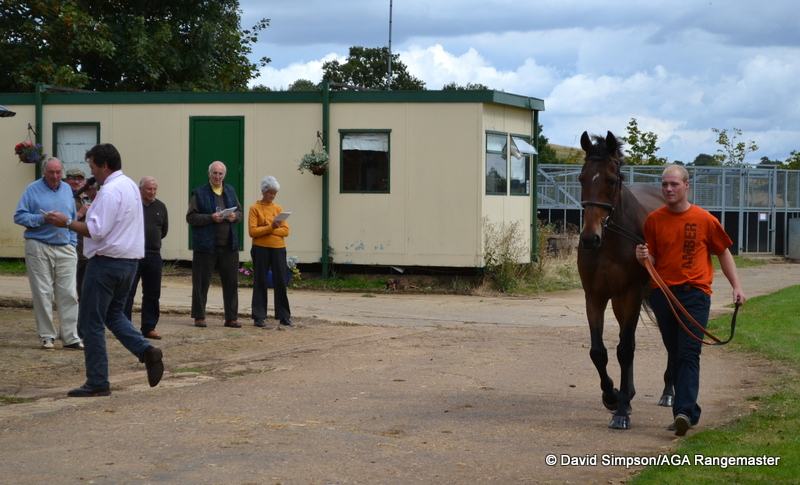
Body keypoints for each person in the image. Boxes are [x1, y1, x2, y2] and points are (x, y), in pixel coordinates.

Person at [636, 164, 746, 436]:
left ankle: (683, 413)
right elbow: (653, 260)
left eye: (674, 184)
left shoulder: (705, 219)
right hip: (663, 295)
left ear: (687, 186)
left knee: (688, 353)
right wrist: (642, 258)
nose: (668, 189)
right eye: (664, 184)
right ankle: (689, 412)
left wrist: (736, 286)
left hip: (695, 294)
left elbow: (723, 252)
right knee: (675, 353)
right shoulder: (654, 220)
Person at [49, 143, 164, 397]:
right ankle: (145, 350)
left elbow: (95, 231)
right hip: (129, 263)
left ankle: (98, 380)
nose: (91, 173)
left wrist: (66, 222)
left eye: (92, 167)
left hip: (106, 263)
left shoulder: (110, 191)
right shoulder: (129, 185)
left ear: (104, 165)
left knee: (91, 322)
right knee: (113, 315)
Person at [13, 157, 82, 351]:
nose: (55, 176)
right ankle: (47, 336)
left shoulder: (67, 189)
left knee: (69, 293)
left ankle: (70, 337)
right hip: (39, 244)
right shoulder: (32, 189)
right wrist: (42, 219)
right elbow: (19, 216)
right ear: (44, 172)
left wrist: (72, 244)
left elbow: (72, 218)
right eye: (51, 172)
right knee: (43, 293)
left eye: (58, 172)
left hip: (65, 246)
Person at [186, 161, 243, 328]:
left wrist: (235, 217)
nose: (218, 176)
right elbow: (191, 217)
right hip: (205, 246)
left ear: (224, 175)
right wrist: (210, 217)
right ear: (209, 174)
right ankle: (199, 316)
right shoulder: (199, 193)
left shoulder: (230, 190)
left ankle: (231, 317)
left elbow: (239, 211)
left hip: (229, 246)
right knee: (201, 283)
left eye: (220, 174)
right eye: (215, 173)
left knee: (231, 283)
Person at [124, 176, 169, 339]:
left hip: (154, 255)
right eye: (149, 189)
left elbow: (163, 231)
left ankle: (149, 327)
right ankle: (125, 326)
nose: (152, 192)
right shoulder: (132, 205)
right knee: (128, 292)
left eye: (154, 189)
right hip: (134, 255)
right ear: (140, 189)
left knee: (152, 294)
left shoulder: (161, 207)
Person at [248, 176, 293, 328]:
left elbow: (286, 231)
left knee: (280, 281)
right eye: (270, 193)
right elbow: (253, 232)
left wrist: (267, 229)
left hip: (278, 248)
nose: (272, 196)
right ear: (263, 192)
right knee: (260, 280)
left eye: (274, 193)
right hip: (260, 248)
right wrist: (271, 227)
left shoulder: (278, 209)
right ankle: (259, 316)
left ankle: (284, 316)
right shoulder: (254, 209)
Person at [65, 167, 91, 300]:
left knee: (85, 289)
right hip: (71, 249)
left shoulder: (88, 197)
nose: (76, 182)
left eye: (79, 179)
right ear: (66, 180)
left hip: (87, 250)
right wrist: (80, 213)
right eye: (73, 179)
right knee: (68, 289)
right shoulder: (64, 197)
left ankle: (82, 311)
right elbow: (61, 220)